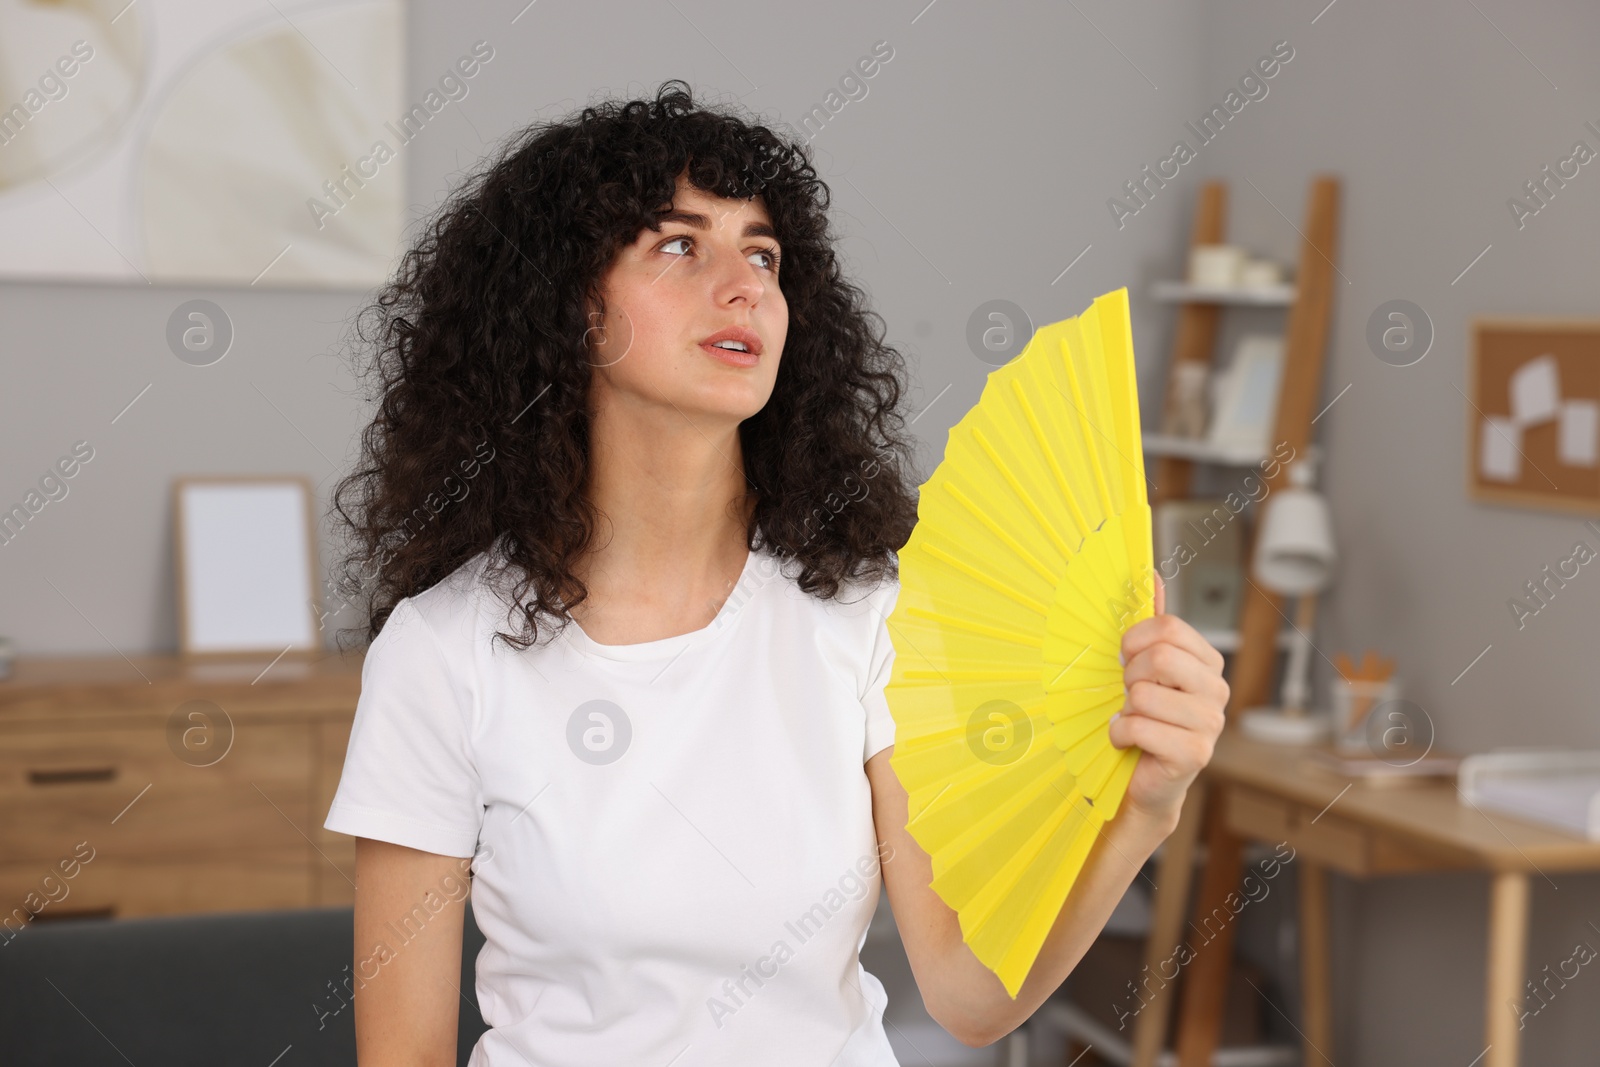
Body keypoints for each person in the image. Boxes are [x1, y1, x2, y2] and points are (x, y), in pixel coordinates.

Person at [322, 80, 1229, 1066]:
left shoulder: (868, 613)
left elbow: (970, 994)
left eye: (762, 252)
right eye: (680, 245)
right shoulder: (442, 648)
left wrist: (1146, 805)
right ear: (568, 308)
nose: (744, 283)